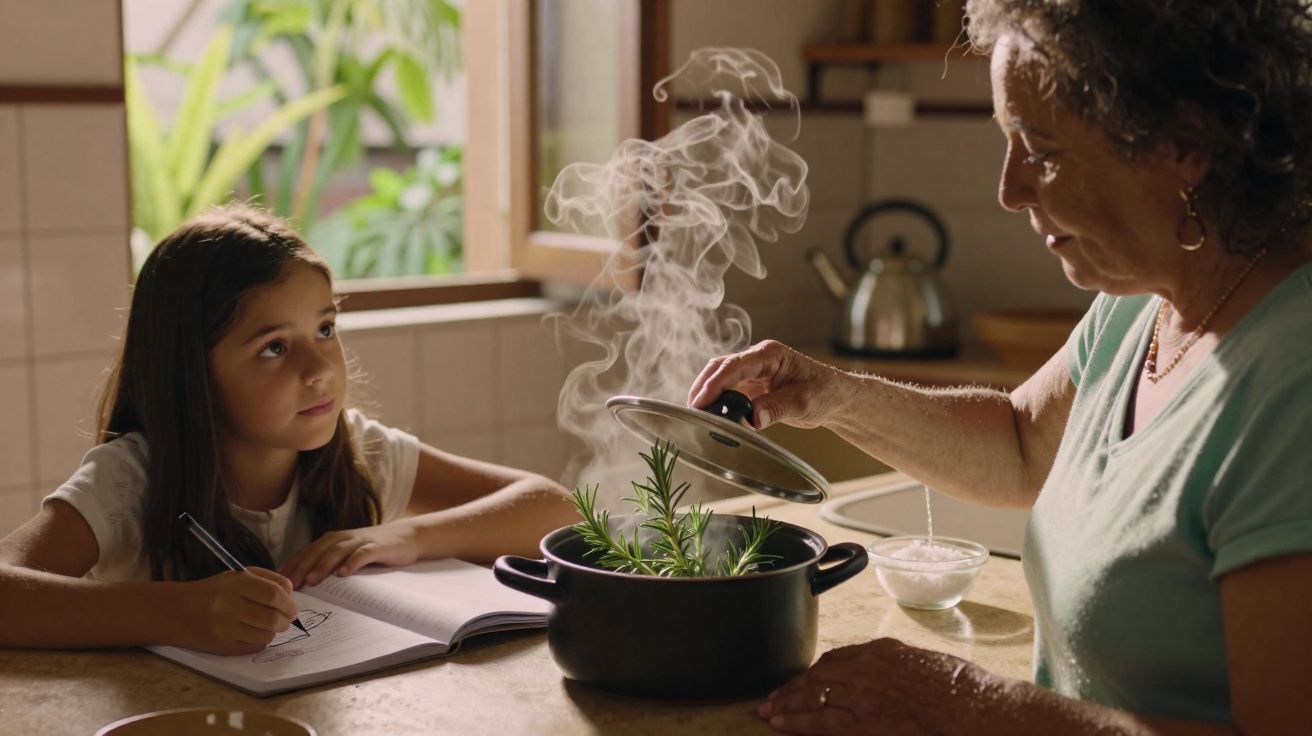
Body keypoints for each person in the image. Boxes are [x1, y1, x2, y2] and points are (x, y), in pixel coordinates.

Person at [689, 1, 1312, 733]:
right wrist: (832, 395)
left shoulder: (1292, 381)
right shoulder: (1145, 303)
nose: (1010, 189)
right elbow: (1021, 445)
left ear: (1185, 142)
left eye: (1040, 149)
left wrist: (966, 705)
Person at [0, 205, 576, 656]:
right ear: (191, 372)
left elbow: (555, 511)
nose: (321, 369)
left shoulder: (359, 453)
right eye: (274, 347)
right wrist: (177, 613)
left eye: (326, 328)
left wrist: (407, 536)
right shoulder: (134, 479)